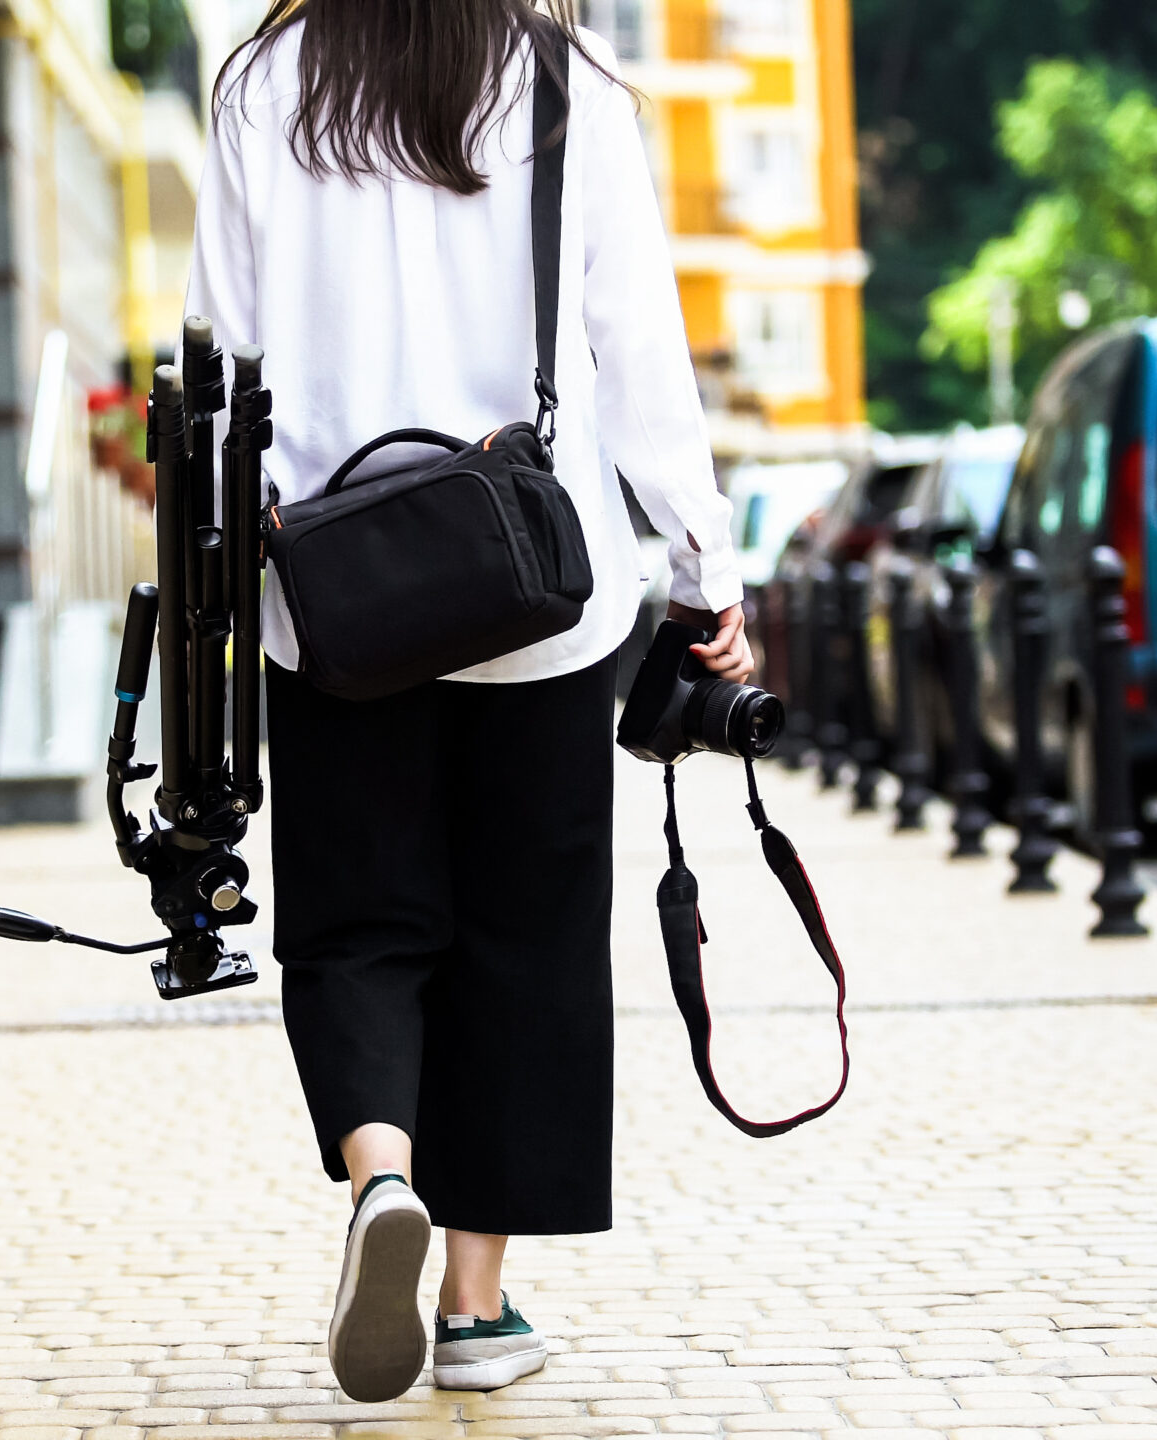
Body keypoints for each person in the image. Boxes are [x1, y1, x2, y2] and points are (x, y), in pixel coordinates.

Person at [184, 0, 752, 1403]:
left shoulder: (269, 80)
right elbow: (641, 360)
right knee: (527, 940)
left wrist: (220, 565)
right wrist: (704, 574)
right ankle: (476, 1310)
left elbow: (216, 352)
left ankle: (385, 1171)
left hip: (335, 599)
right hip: (538, 592)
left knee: (360, 923)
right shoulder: (568, 88)